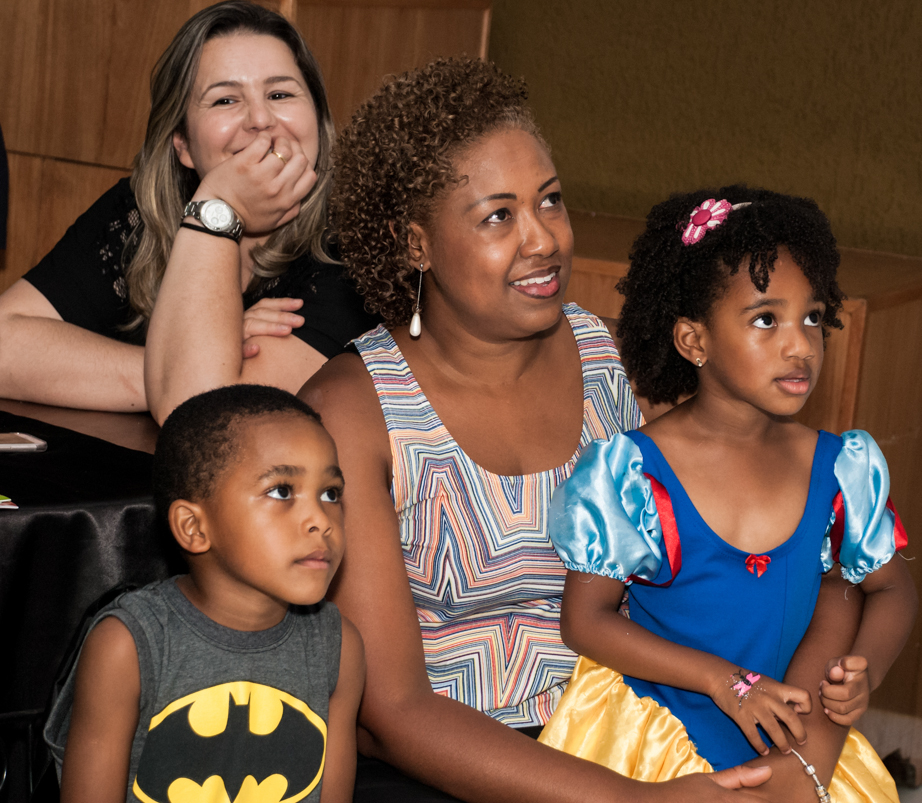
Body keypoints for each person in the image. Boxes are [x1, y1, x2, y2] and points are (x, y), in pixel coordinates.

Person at [300, 57, 866, 803]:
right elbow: (394, 709)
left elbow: (767, 540)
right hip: (446, 763)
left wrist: (796, 734)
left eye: (551, 200)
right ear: (416, 244)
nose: (543, 239)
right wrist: (633, 801)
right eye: (499, 216)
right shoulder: (352, 411)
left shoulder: (608, 357)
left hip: (625, 727)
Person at [538, 187, 919, 802]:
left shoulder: (838, 470)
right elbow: (585, 621)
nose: (801, 346)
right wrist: (725, 681)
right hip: (657, 745)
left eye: (812, 318)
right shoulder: (634, 473)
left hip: (792, 745)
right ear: (694, 341)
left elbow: (892, 589)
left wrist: (864, 670)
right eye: (766, 320)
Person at [0, 1, 377, 419]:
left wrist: (217, 207)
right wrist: (195, 356)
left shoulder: (355, 243)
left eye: (280, 94)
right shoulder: (142, 209)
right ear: (182, 143)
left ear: (318, 120)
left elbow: (203, 414)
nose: (260, 119)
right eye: (225, 100)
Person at [43, 384, 365, 803]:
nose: (320, 519)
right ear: (194, 527)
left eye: (331, 493)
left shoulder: (338, 649)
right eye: (282, 491)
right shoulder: (129, 647)